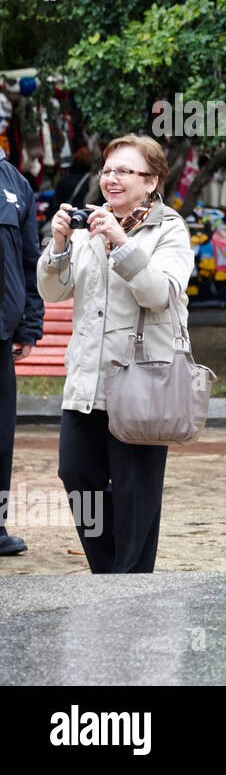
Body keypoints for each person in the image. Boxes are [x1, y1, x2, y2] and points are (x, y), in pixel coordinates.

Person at [37, 135, 193, 572]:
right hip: (87, 382)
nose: (112, 178)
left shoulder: (169, 229)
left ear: (152, 181)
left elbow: (160, 294)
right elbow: (52, 291)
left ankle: (130, 584)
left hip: (143, 382)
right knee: (77, 477)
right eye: (108, 170)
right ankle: (109, 575)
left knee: (134, 494)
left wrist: (123, 243)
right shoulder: (91, 226)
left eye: (125, 171)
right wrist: (60, 245)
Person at [0, 146, 44, 557]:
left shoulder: (16, 183)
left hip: (2, 334)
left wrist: (30, 324)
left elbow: (31, 260)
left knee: (0, 439)